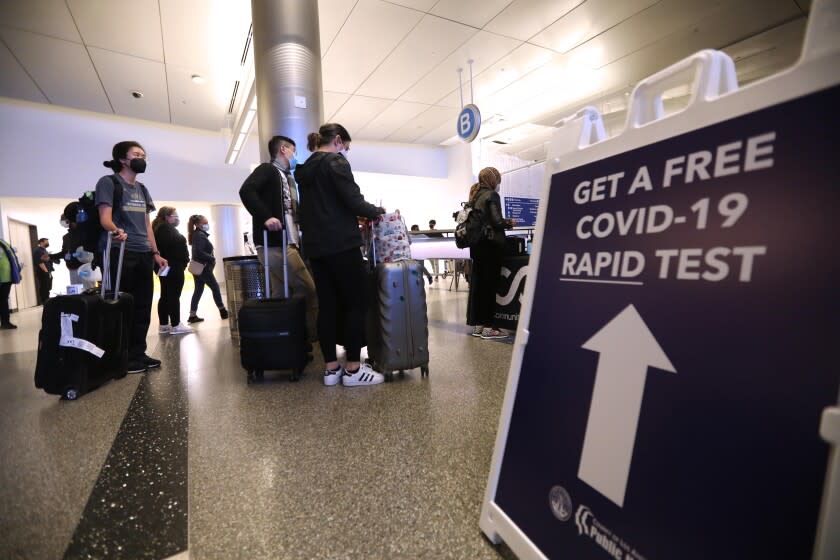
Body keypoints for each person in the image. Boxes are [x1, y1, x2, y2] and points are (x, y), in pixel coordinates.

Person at [294, 123, 386, 387]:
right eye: (345, 146)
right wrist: (377, 211)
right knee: (356, 303)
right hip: (342, 245)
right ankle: (354, 369)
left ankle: (331, 369)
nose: (345, 152)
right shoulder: (335, 162)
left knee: (328, 306)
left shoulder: (306, 169)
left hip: (316, 248)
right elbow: (353, 200)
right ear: (337, 140)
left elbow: (323, 207)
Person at [239, 134, 318, 346]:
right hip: (275, 244)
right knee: (308, 287)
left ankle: (285, 338)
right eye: (293, 150)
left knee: (279, 293)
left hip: (286, 242)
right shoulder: (268, 170)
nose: (295, 155)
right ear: (283, 149)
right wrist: (266, 216)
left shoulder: (286, 177)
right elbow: (246, 190)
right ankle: (310, 336)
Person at [96, 140, 168, 373]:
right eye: (137, 154)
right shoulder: (109, 183)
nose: (142, 158)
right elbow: (105, 218)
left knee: (143, 306)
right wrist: (116, 231)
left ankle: (138, 353)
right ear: (122, 159)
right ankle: (122, 356)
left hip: (143, 252)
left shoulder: (142, 189)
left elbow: (147, 224)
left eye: (144, 155)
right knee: (122, 305)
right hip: (120, 251)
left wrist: (155, 252)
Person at [467, 167, 515, 340]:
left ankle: (479, 326)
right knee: (490, 288)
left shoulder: (475, 195)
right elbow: (497, 221)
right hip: (491, 247)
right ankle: (489, 327)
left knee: (480, 288)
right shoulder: (492, 195)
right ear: (493, 180)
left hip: (477, 247)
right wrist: (509, 222)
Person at [152, 207, 192, 335]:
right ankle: (176, 324)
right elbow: (176, 247)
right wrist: (184, 260)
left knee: (165, 295)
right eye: (175, 215)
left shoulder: (159, 228)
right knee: (173, 295)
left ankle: (164, 324)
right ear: (167, 216)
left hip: (166, 267)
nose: (177, 218)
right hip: (173, 266)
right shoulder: (165, 229)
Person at [186, 215, 229, 324]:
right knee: (215, 287)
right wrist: (212, 258)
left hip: (198, 268)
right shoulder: (199, 235)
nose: (206, 225)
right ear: (197, 224)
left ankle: (192, 315)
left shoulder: (197, 234)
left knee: (198, 290)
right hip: (204, 268)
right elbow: (199, 253)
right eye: (204, 223)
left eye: (207, 222)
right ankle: (223, 311)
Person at [0, 238, 22, 329]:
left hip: (5, 276)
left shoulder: (3, 242)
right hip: (5, 276)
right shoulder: (3, 242)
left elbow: (12, 258)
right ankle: (5, 322)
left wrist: (18, 272)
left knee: (3, 300)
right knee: (3, 300)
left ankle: (5, 322)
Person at [33, 238, 53, 303]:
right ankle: (45, 301)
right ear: (41, 242)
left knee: (48, 287)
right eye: (46, 241)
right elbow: (40, 262)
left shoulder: (45, 250)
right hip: (43, 272)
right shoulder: (38, 251)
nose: (47, 243)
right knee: (44, 287)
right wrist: (46, 272)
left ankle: (47, 300)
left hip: (48, 271)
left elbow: (47, 260)